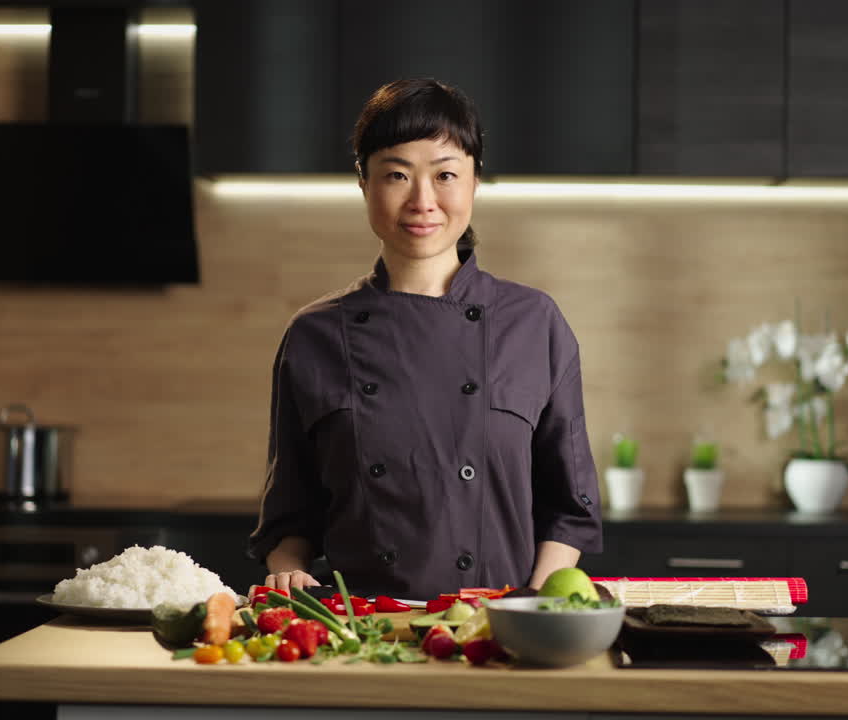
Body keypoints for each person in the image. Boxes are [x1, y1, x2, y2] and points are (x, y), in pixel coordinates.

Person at [247, 78, 602, 600]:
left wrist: (536, 608)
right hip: (363, 635)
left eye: (445, 175)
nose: (422, 201)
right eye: (396, 174)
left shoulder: (534, 323)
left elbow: (569, 509)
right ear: (364, 183)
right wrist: (289, 569)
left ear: (475, 182)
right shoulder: (314, 334)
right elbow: (288, 517)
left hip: (498, 633)